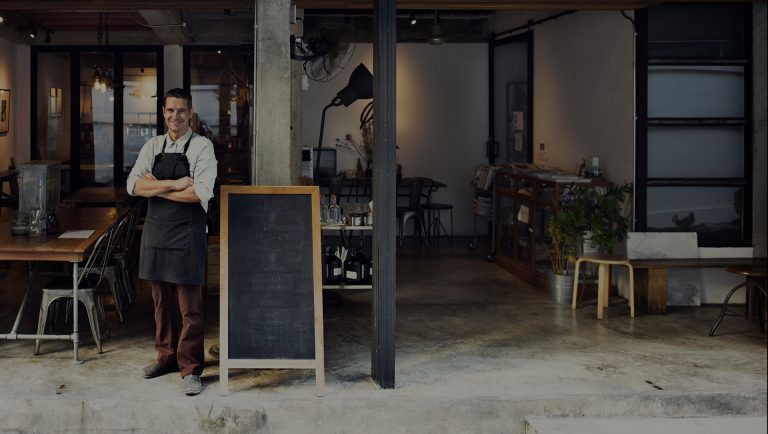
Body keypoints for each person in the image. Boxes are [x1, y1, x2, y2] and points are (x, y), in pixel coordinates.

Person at [126, 88, 217, 396]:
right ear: (163, 112)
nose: (175, 115)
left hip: (187, 235)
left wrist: (156, 187)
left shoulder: (202, 146)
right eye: (170, 110)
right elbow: (133, 185)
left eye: (181, 110)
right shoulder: (153, 145)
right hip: (156, 234)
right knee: (161, 304)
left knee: (190, 308)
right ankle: (165, 358)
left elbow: (200, 193)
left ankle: (191, 367)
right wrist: (174, 184)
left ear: (190, 113)